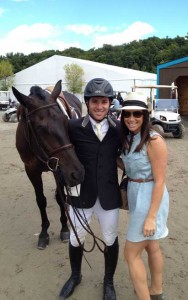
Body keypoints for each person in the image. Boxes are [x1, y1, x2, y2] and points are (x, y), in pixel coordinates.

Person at [59, 78, 122, 300]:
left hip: (108, 195)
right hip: (79, 194)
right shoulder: (74, 127)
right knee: (76, 239)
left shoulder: (119, 128)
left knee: (110, 238)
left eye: (104, 101)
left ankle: (108, 282)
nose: (99, 106)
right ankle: (75, 276)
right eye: (95, 101)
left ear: (109, 103)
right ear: (87, 102)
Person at [118, 92, 169, 300]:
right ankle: (156, 291)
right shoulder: (130, 137)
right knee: (151, 245)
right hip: (136, 191)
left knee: (131, 254)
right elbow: (130, 166)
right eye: (127, 114)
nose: (131, 118)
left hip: (150, 197)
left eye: (137, 114)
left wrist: (151, 217)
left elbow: (160, 180)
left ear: (144, 115)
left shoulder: (154, 140)